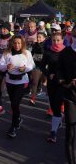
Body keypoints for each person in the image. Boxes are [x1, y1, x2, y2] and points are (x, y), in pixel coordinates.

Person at [0, 35, 35, 138]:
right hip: (10, 81)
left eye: (19, 43)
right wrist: (6, 66)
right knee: (14, 104)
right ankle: (18, 118)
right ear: (11, 43)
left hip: (22, 82)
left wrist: (25, 69)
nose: (17, 45)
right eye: (15, 43)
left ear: (22, 44)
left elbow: (31, 65)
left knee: (15, 103)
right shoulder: (7, 53)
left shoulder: (27, 53)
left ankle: (13, 127)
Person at [41, 32, 66, 142]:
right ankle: (59, 118)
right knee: (53, 105)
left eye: (58, 40)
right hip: (51, 83)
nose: (56, 42)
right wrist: (47, 73)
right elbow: (42, 65)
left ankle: (53, 132)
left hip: (62, 83)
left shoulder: (67, 52)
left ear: (62, 40)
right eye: (54, 40)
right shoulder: (48, 52)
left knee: (56, 105)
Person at [57, 26, 76, 163]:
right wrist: (65, 82)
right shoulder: (65, 53)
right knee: (71, 132)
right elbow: (59, 72)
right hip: (71, 96)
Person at [30, 32, 46, 105]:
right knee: (34, 82)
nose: (38, 39)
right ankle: (32, 98)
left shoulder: (46, 46)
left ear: (44, 38)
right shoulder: (34, 45)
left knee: (41, 82)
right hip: (36, 65)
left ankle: (38, 90)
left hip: (44, 66)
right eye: (37, 37)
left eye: (40, 37)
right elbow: (31, 54)